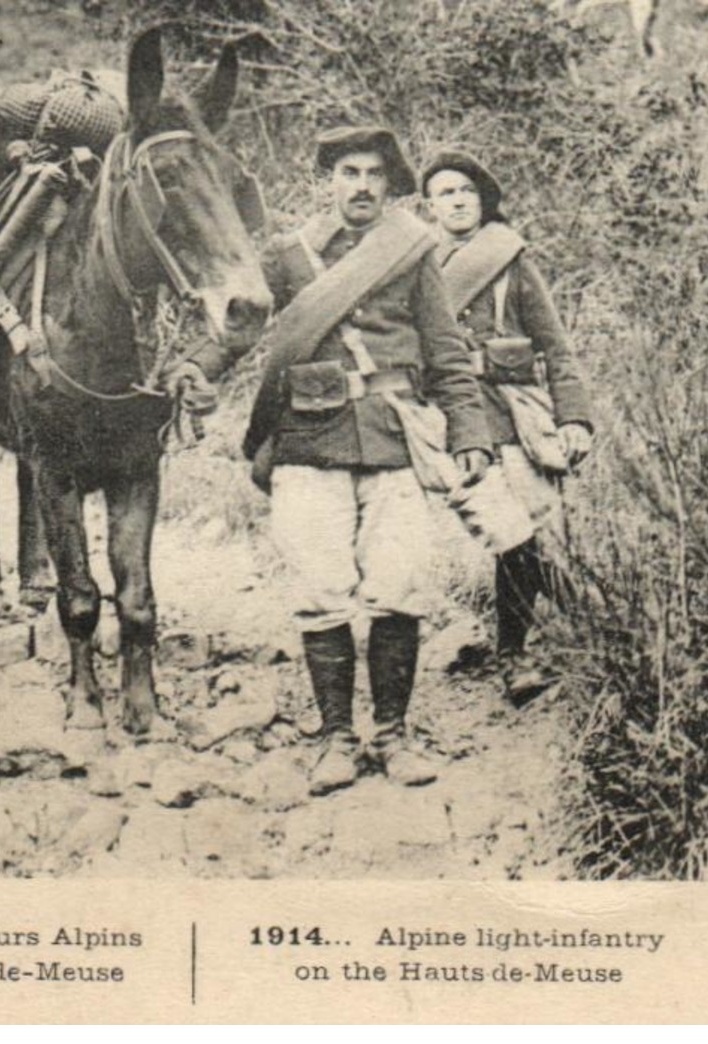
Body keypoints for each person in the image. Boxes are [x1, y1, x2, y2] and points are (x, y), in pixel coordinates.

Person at [181, 126, 492, 794]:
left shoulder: (411, 253)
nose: (360, 185)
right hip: (305, 441)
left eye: (373, 175)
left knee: (399, 584)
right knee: (320, 590)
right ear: (328, 180)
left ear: (389, 185)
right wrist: (200, 367)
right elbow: (239, 328)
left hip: (390, 439)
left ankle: (392, 736)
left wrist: (468, 431)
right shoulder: (286, 257)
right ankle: (334, 741)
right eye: (347, 172)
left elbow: (444, 352)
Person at [420, 147, 593, 699]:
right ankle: (519, 657)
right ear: (429, 207)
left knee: (540, 538)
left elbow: (556, 347)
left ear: (482, 199)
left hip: (518, 416)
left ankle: (579, 638)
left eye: (466, 191)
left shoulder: (511, 259)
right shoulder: (416, 265)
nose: (457, 201)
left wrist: (575, 418)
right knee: (509, 534)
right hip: (458, 420)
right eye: (444, 193)